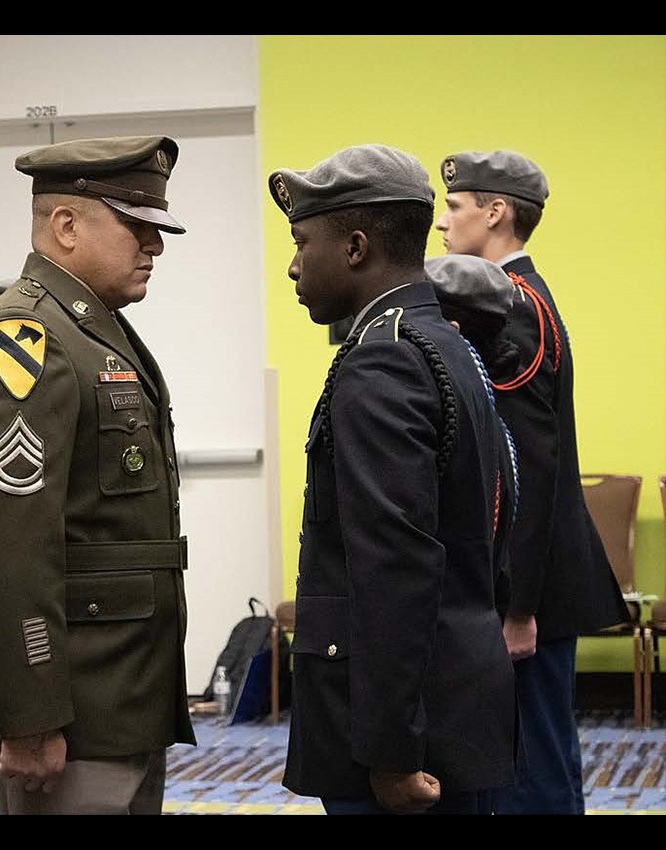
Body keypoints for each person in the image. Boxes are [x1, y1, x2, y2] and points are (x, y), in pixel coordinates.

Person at [0, 135, 194, 815]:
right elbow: (6, 543)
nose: (153, 246)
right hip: (70, 709)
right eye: (137, 227)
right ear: (66, 226)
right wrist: (29, 710)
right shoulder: (24, 336)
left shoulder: (96, 330)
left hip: (120, 692)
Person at [267, 143, 517, 815]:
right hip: (453, 694)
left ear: (354, 247)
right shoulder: (446, 345)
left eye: (301, 241)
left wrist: (391, 751)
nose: (293, 265)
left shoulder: (385, 363)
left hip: (402, 732)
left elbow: (393, 567)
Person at [436, 150, 630, 814]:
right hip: (533, 584)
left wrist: (518, 606)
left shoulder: (512, 309)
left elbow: (529, 461)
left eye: (454, 207)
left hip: (533, 593)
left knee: (534, 772)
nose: (441, 223)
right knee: (533, 761)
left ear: (495, 213)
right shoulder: (515, 302)